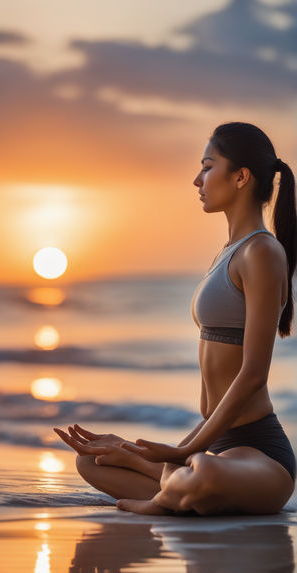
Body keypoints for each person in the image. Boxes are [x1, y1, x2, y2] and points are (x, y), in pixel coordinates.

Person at [54, 122, 297, 516]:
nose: (196, 179)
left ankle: (168, 487)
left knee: (202, 475)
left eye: (206, 166)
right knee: (92, 461)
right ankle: (169, 481)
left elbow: (253, 373)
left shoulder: (262, 253)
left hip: (259, 455)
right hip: (213, 446)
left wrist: (184, 451)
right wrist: (179, 451)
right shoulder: (228, 252)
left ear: (240, 177)